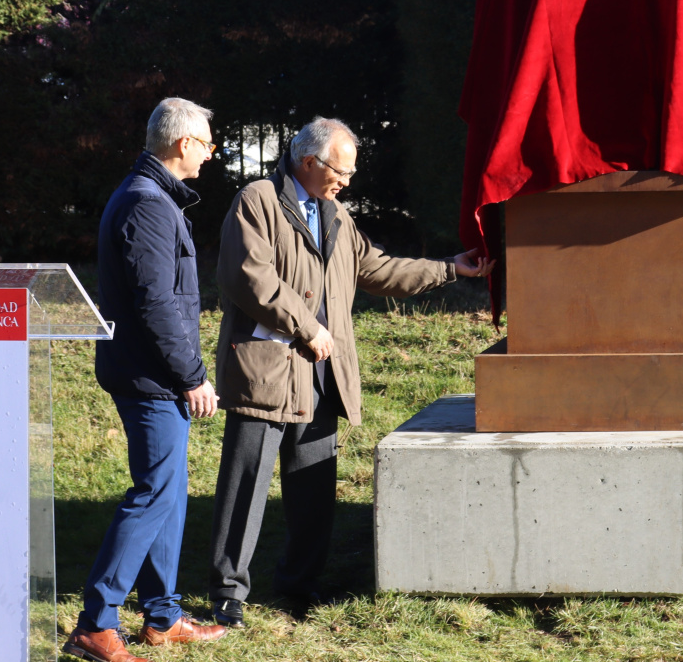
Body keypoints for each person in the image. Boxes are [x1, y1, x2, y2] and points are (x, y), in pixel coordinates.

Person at [206, 117, 493, 626]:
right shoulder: (257, 200)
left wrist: (450, 267)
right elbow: (249, 278)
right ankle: (228, 594)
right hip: (266, 374)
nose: (347, 182)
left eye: (350, 174)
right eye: (341, 171)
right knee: (244, 486)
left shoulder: (336, 213)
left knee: (313, 491)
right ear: (309, 161)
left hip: (323, 376)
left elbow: (376, 269)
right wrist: (307, 327)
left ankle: (298, 588)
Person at [63, 98, 229, 662]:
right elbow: (157, 304)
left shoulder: (150, 196)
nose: (211, 155)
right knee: (154, 493)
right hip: (151, 378)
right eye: (208, 144)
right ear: (184, 143)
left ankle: (161, 617)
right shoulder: (147, 203)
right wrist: (192, 376)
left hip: (153, 374)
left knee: (169, 494)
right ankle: (95, 623)